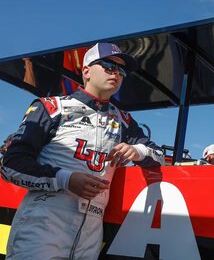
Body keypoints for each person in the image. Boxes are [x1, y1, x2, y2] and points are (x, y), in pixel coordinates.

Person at [1, 42, 165, 259]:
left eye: (121, 70)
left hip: (91, 232)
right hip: (44, 223)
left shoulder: (124, 120)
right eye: (108, 65)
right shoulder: (51, 107)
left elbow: (160, 157)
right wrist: (65, 179)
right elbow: (10, 165)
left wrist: (138, 151)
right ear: (86, 71)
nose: (116, 73)